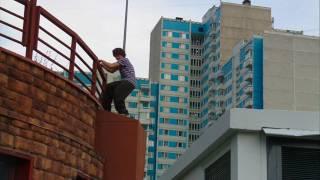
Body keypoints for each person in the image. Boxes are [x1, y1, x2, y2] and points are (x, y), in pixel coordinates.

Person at [99, 48, 136, 116]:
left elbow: (111, 65)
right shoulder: (120, 63)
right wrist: (102, 66)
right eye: (115, 56)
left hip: (129, 82)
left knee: (118, 96)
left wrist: (102, 61)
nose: (116, 58)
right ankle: (106, 108)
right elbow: (111, 70)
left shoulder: (124, 60)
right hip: (126, 82)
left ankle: (124, 112)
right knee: (109, 87)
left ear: (121, 55)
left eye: (117, 56)